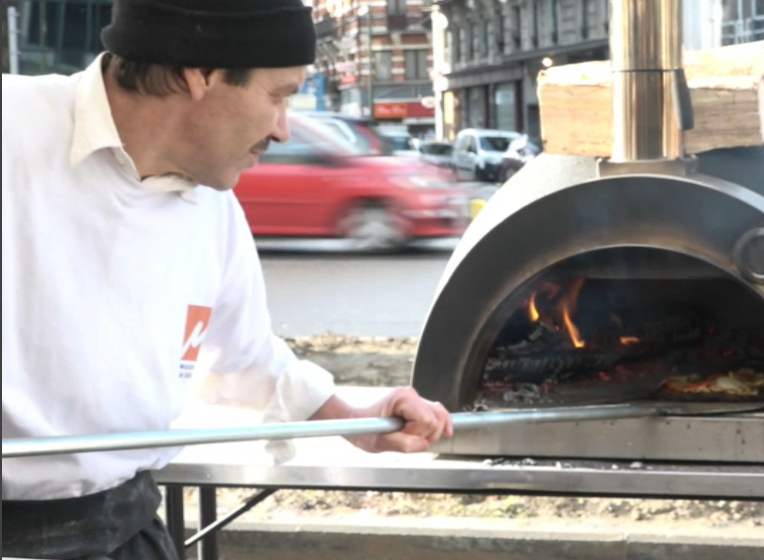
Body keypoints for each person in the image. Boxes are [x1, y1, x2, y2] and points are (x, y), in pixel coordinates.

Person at [0, 1, 453, 558]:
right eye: (278, 96)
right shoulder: (11, 127)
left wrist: (355, 421)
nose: (283, 129)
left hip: (127, 528)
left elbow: (241, 355)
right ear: (201, 73)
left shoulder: (212, 206)